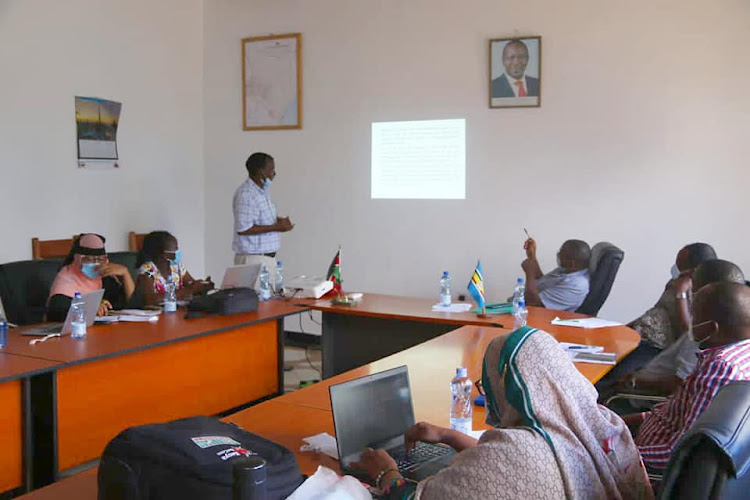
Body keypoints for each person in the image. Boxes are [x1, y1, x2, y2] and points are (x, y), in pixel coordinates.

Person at [353, 327, 651, 499]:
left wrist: (385, 472)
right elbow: (544, 455)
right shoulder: (604, 423)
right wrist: (448, 435)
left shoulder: (520, 452)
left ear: (507, 384)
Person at [627, 282, 750, 470]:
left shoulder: (719, 368)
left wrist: (615, 455)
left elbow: (678, 453)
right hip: (639, 441)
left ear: (711, 329)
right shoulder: (740, 353)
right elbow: (675, 414)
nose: (689, 322)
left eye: (694, 316)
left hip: (643, 468)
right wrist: (620, 421)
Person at [595, 243, 717, 395]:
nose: (676, 265)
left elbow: (687, 334)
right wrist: (623, 329)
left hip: (655, 347)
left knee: (608, 382)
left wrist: (681, 294)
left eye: (680, 260)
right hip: (638, 335)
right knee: (595, 362)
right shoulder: (674, 282)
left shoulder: (702, 295)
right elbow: (655, 311)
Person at [616, 260, 745, 399]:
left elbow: (680, 382)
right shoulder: (736, 341)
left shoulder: (704, 334)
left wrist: (635, 380)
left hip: (640, 395)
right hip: (645, 380)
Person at [232, 152, 294, 286]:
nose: (274, 173)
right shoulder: (246, 194)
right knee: (257, 305)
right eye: (271, 169)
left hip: (265, 260)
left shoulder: (262, 191)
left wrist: (279, 221)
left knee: (269, 304)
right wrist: (278, 227)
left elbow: (258, 217)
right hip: (253, 261)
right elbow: (243, 228)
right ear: (261, 172)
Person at [47, 233, 135, 321]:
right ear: (77, 259)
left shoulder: (105, 277)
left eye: (100, 259)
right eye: (89, 259)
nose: (96, 264)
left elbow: (133, 306)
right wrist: (89, 307)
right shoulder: (66, 280)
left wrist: (125, 273)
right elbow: (57, 312)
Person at [134, 231, 213, 307]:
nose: (178, 251)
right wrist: (189, 290)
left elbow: (192, 284)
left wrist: (203, 286)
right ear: (163, 254)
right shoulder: (147, 270)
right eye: (175, 248)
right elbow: (150, 300)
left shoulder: (177, 267)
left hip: (180, 312)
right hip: (159, 316)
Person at [520, 238, 590, 311]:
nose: (558, 255)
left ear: (572, 263)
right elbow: (542, 282)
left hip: (537, 315)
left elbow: (534, 303)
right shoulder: (567, 270)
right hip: (521, 307)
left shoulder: (577, 285)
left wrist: (529, 273)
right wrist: (532, 256)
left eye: (561, 253)